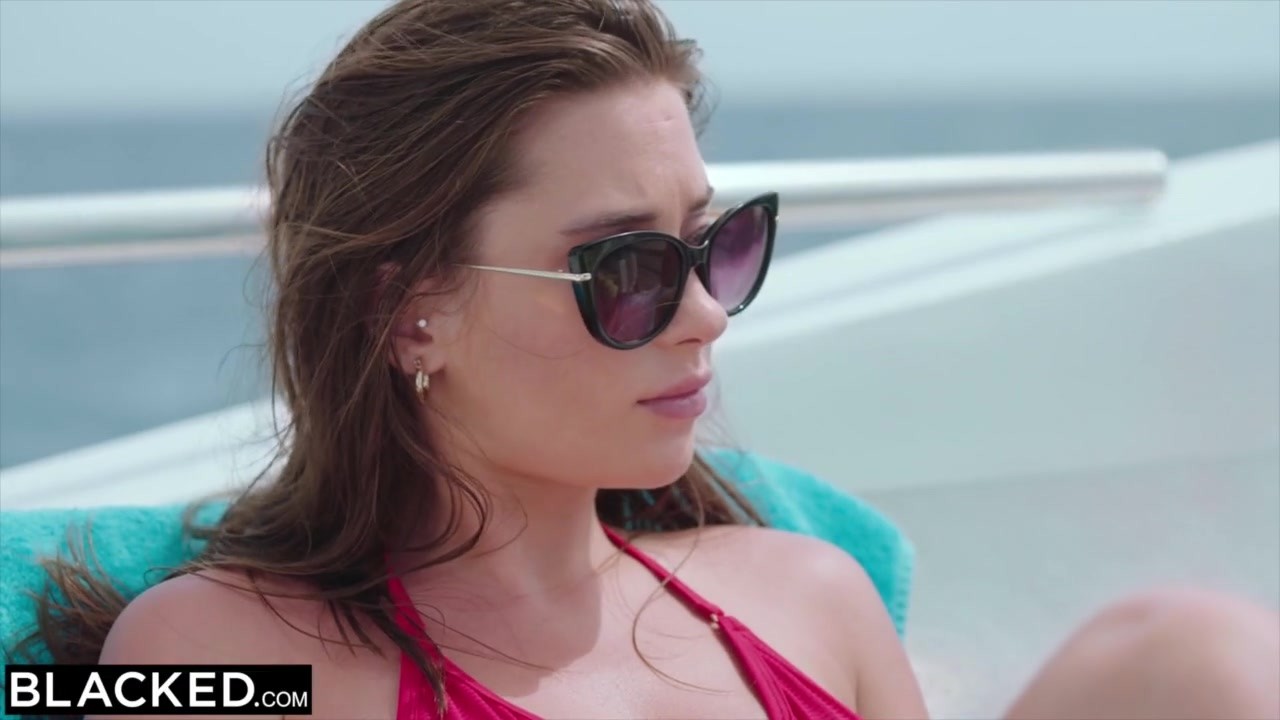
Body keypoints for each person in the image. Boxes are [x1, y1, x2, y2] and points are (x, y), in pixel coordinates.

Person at [20, 1, 1278, 719]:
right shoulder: (233, 661)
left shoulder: (808, 594)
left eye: (717, 245)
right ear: (407, 314)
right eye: (624, 270)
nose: (706, 316)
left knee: (1202, 654)